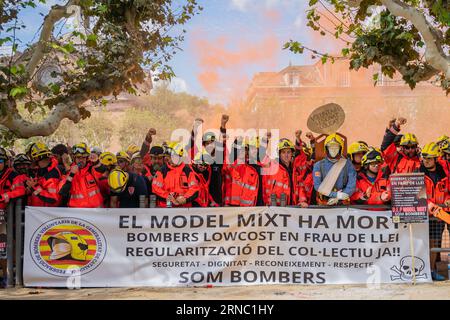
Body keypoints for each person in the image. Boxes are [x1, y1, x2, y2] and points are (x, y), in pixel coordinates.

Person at [419, 142, 450, 281]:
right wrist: (429, 205)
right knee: (422, 244)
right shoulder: (418, 173)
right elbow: (415, 195)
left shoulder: (444, 173)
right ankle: (423, 271)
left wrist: (448, 199)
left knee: (435, 243)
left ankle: (431, 271)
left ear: (436, 158)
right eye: (424, 157)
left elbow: (447, 190)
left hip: (440, 214)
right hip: (424, 215)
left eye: (429, 158)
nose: (426, 160)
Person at [313, 133, 357, 206]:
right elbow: (318, 186)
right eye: (331, 147)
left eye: (336, 147)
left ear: (340, 149)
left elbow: (351, 186)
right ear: (326, 148)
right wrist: (336, 195)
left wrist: (340, 197)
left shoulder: (348, 165)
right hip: (324, 203)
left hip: (342, 203)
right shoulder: (318, 165)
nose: (333, 150)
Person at [152, 142, 199, 207]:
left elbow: (194, 189)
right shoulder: (162, 171)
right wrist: (168, 197)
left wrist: (184, 198)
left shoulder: (188, 171)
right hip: (166, 210)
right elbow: (155, 188)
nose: (169, 160)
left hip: (185, 210)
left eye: (172, 158)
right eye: (168, 158)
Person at [58, 143, 103, 208]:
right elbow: (62, 192)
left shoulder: (92, 169)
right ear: (74, 158)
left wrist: (97, 161)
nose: (81, 160)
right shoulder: (68, 172)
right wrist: (72, 174)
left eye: (83, 157)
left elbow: (103, 172)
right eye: (79, 157)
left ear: (87, 158)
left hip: (96, 213)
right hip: (77, 215)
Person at [223, 138, 264, 206]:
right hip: (229, 207)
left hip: (245, 208)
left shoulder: (251, 170)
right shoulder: (228, 166)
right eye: (240, 149)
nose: (242, 151)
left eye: (244, 149)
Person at [27, 142, 62, 207]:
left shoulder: (52, 173)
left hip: (47, 214)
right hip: (37, 211)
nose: (33, 162)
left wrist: (34, 187)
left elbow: (52, 198)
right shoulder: (41, 171)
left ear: (37, 158)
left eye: (33, 159)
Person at [263, 138, 296, 206]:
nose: (286, 155)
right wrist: (264, 140)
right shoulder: (272, 166)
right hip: (274, 208)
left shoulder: (295, 170)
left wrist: (302, 201)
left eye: (288, 152)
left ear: (292, 154)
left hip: (292, 207)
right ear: (279, 154)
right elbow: (261, 157)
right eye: (283, 152)